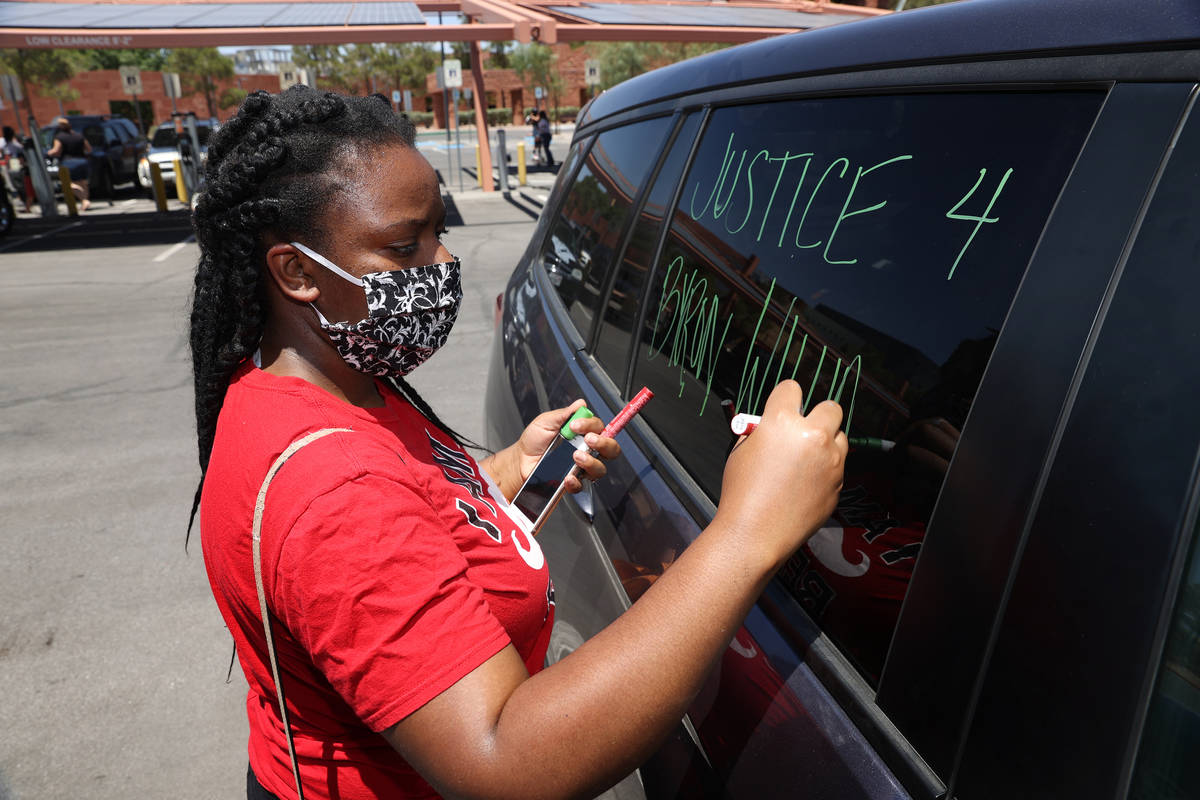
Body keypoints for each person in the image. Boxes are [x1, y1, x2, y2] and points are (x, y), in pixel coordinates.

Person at [190, 86, 846, 800]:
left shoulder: (333, 390)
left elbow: (414, 529)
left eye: (438, 232)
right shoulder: (335, 490)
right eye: (405, 245)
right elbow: (503, 758)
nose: (440, 264)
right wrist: (748, 533)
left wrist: (511, 475)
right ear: (296, 272)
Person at [45, 116, 91, 211]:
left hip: (68, 162)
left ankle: (83, 199)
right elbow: (89, 149)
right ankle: (85, 200)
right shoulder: (79, 135)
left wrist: (47, 153)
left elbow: (56, 151)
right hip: (82, 161)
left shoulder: (59, 137)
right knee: (83, 182)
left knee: (67, 183)